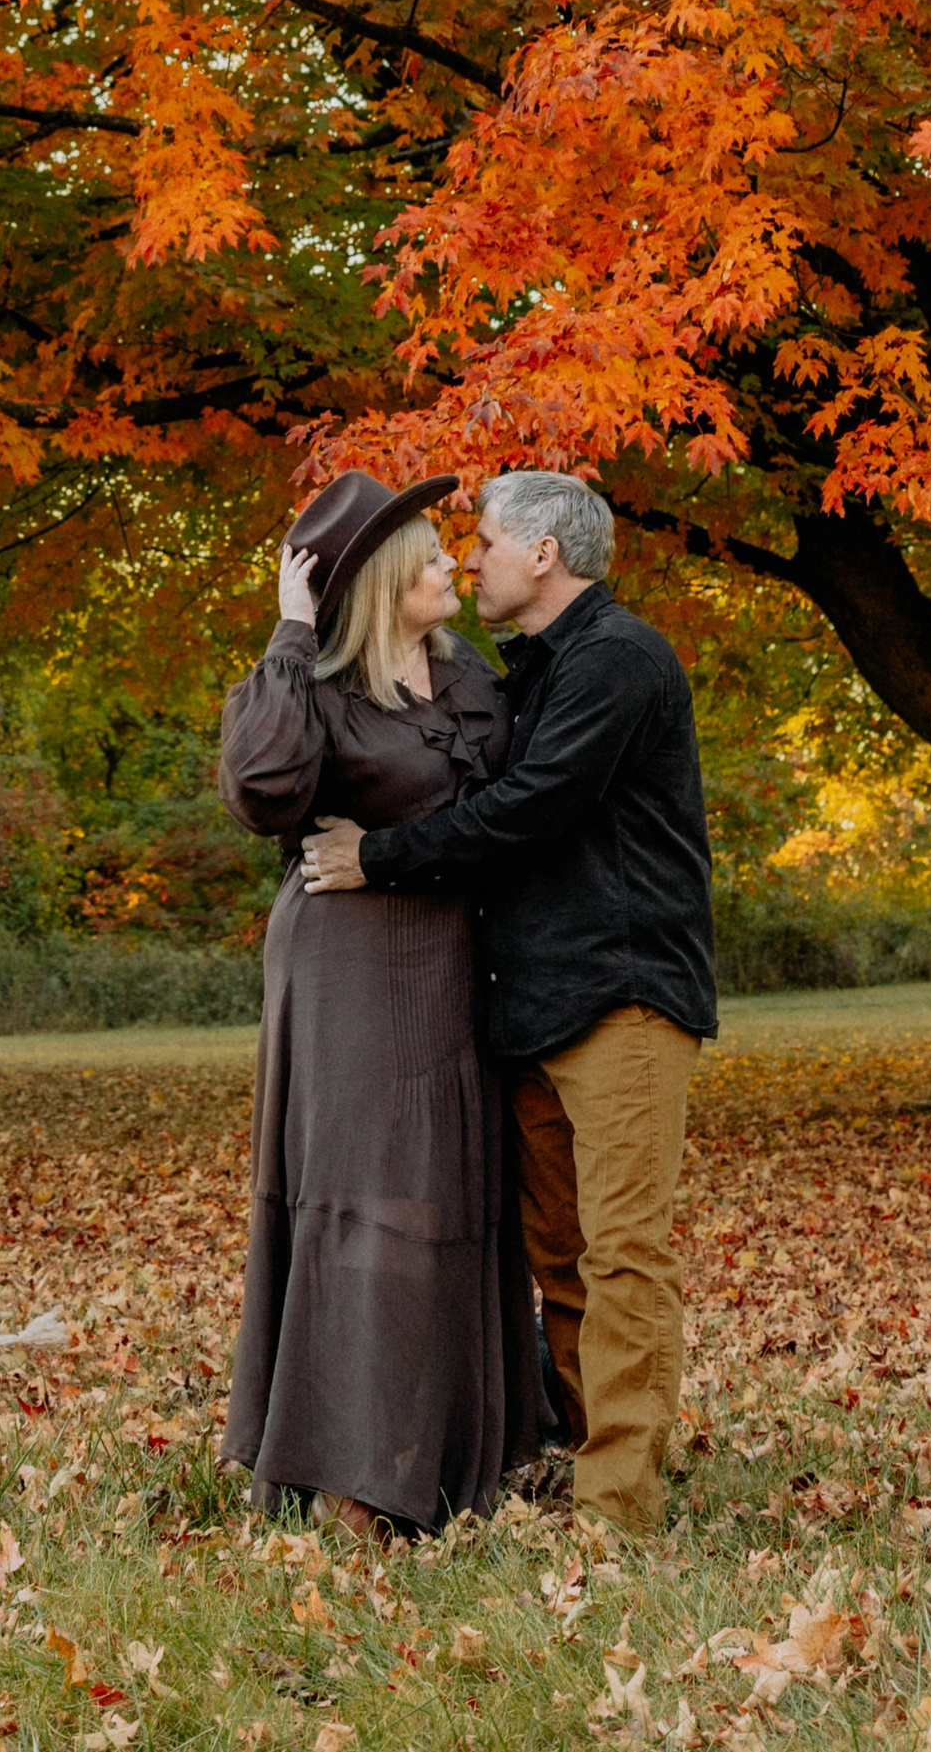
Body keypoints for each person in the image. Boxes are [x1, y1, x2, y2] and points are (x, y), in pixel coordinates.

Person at [301, 469, 715, 1540]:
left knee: (624, 1252)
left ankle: (621, 1506)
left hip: (622, 991)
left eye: (482, 540)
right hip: (533, 1001)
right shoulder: (523, 672)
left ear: (545, 553)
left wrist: (377, 855)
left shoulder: (618, 660)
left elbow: (528, 810)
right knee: (562, 1259)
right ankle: (585, 1451)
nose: (468, 557)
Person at [217, 469, 527, 1541]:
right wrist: (292, 631)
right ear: (386, 578)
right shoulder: (314, 688)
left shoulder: (468, 681)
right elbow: (262, 789)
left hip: (456, 963)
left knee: (452, 1191)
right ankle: (352, 1463)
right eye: (435, 553)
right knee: (368, 1197)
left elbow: (518, 811)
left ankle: (449, 1454)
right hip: (348, 968)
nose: (455, 564)